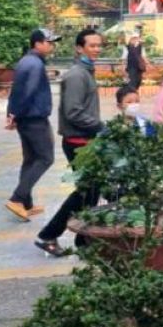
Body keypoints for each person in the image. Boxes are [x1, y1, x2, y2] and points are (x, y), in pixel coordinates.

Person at [35, 29, 105, 256]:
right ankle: (48, 235)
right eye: (92, 45)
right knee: (86, 191)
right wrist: (100, 126)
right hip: (78, 142)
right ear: (79, 48)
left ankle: (84, 239)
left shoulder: (86, 71)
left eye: (99, 45)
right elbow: (73, 112)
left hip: (86, 139)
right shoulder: (77, 75)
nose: (97, 49)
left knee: (91, 191)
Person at [5, 28, 61, 221]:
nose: (52, 46)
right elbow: (27, 92)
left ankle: (26, 203)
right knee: (45, 158)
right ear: (37, 43)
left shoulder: (25, 61)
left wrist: (12, 114)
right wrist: (16, 114)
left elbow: (15, 91)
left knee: (30, 159)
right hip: (34, 119)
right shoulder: (35, 64)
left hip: (25, 118)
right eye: (49, 42)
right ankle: (17, 198)